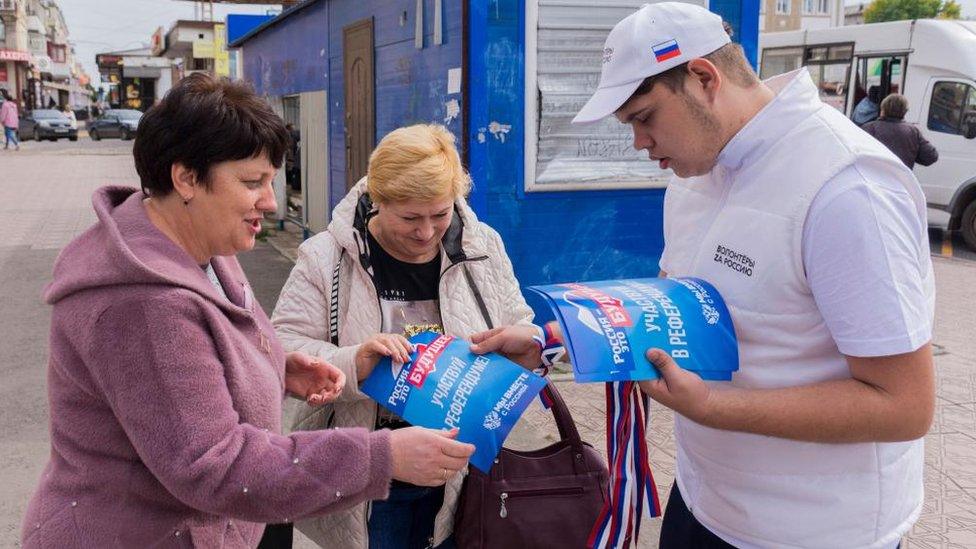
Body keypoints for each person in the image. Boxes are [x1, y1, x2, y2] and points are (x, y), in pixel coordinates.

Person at [478, 3, 935, 548]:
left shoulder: (847, 188)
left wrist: (716, 408)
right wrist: (554, 344)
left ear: (702, 77)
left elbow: (903, 405)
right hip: (701, 505)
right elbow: (669, 318)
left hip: (814, 531)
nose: (639, 145)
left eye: (644, 117)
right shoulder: (697, 172)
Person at [21, 74, 474, 548]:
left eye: (272, 181)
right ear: (186, 178)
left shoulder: (203, 248)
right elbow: (213, 464)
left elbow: (200, 362)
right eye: (252, 182)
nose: (272, 201)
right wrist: (381, 458)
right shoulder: (145, 305)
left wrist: (275, 365)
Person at [272, 123, 536, 548]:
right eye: (410, 217)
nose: (427, 232)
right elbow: (281, 347)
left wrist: (527, 344)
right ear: (378, 199)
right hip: (378, 477)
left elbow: (521, 323)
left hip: (465, 473)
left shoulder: (482, 246)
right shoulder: (327, 258)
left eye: (440, 214)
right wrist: (356, 361)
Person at [862, 93, 939, 169]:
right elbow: (931, 156)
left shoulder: (868, 128)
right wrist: (913, 154)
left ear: (883, 109)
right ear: (905, 112)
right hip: (900, 179)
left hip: (872, 178)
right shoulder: (913, 131)